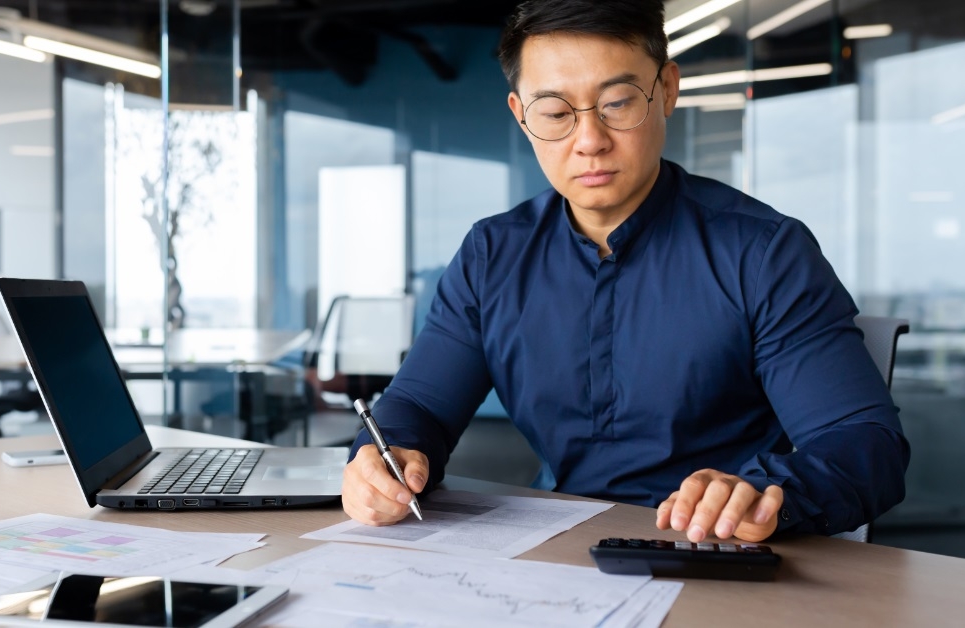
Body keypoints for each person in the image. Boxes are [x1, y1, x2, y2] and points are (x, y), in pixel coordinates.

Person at [341, 0, 909, 543]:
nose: (589, 141)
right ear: (521, 115)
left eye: (617, 103)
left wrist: (763, 492)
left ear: (666, 89)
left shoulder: (762, 253)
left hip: (720, 553)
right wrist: (384, 460)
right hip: (554, 552)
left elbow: (864, 445)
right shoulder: (493, 254)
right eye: (556, 113)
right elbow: (417, 408)